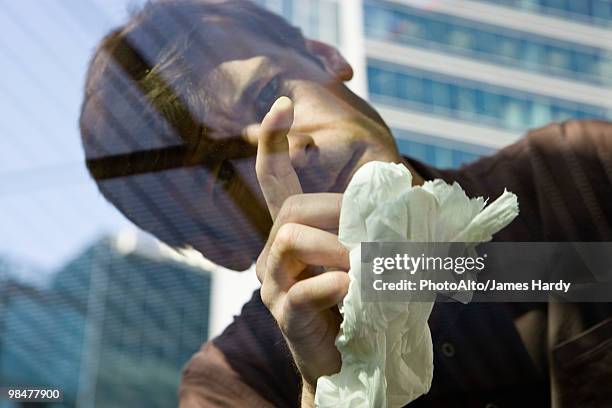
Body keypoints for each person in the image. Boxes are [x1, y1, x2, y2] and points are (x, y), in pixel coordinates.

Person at [79, 0, 612, 406]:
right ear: (217, 247)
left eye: (269, 97)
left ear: (326, 57)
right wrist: (331, 385)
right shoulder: (229, 388)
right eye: (223, 174)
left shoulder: (579, 171)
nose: (285, 145)